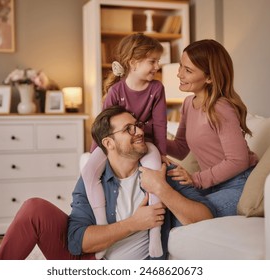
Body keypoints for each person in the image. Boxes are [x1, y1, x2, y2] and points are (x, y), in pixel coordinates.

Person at [0, 106, 216, 260]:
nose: (139, 132)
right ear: (108, 143)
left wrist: (160, 188)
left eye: (137, 125)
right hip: (90, 263)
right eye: (128, 129)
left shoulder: (163, 172)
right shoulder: (92, 179)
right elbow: (76, 241)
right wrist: (133, 223)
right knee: (34, 208)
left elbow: (205, 218)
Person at [141, 39, 258, 217]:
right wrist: (149, 135)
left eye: (188, 70)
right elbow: (180, 148)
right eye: (181, 66)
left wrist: (197, 179)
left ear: (210, 77)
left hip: (239, 185)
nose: (179, 74)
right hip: (213, 185)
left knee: (178, 216)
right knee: (161, 208)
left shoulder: (220, 108)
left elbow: (238, 160)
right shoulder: (189, 103)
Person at [82, 33, 169, 258]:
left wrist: (162, 154)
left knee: (154, 175)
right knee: (88, 169)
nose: (157, 66)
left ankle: (155, 233)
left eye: (157, 61)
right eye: (153, 61)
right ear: (133, 62)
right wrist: (96, 154)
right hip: (117, 143)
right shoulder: (116, 91)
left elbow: (160, 124)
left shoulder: (156, 89)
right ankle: (101, 223)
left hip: (145, 144)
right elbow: (102, 125)